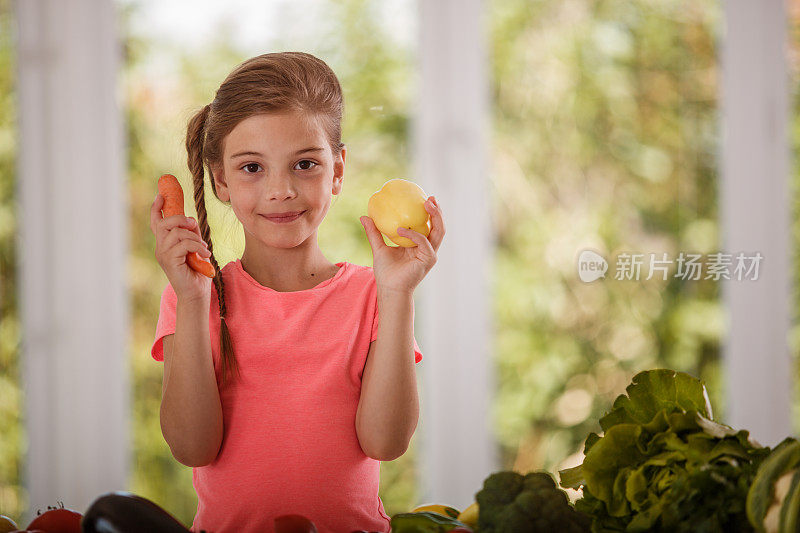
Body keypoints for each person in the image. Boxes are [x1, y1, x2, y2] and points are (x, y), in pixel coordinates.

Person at [148, 52, 445, 533]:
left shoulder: (375, 293)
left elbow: (386, 443)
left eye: (305, 163)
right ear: (220, 179)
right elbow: (191, 447)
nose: (281, 189)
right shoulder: (193, 295)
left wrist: (398, 295)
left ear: (338, 169)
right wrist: (194, 300)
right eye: (251, 168)